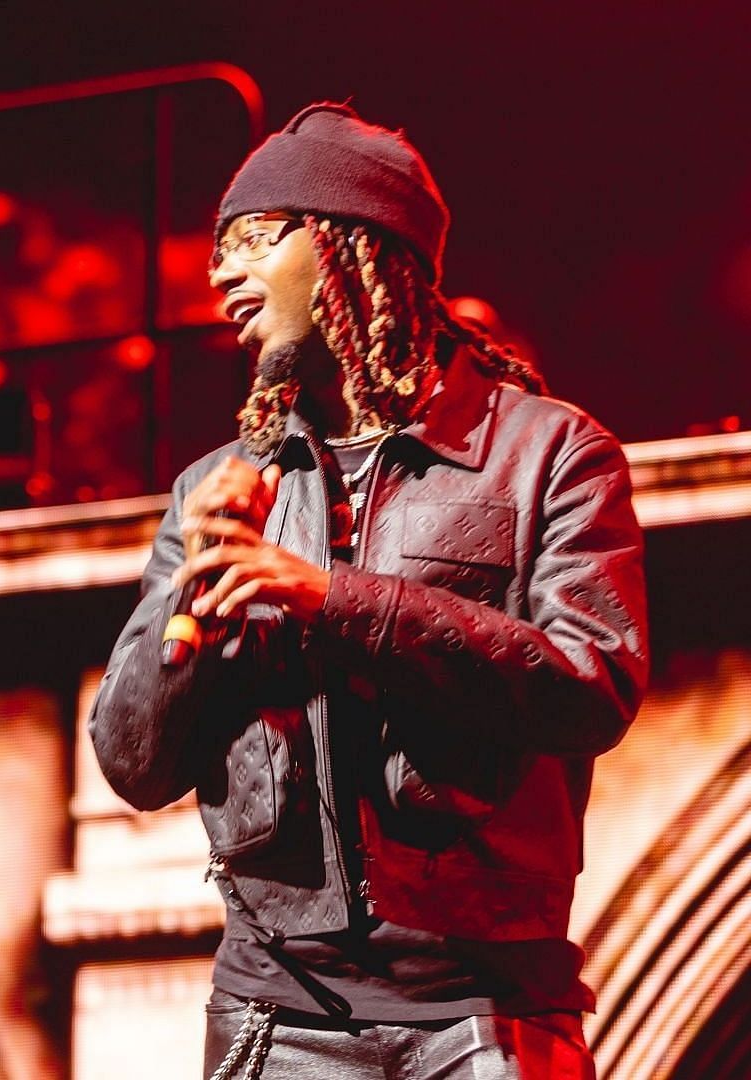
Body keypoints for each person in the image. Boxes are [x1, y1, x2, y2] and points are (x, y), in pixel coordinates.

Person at [90, 102, 647, 1078]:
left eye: (257, 239)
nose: (222, 273)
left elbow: (593, 682)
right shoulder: (220, 485)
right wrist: (196, 585)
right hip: (278, 1021)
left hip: (488, 1021)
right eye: (221, 248)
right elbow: (134, 765)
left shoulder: (546, 455)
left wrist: (331, 601)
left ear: (352, 245)